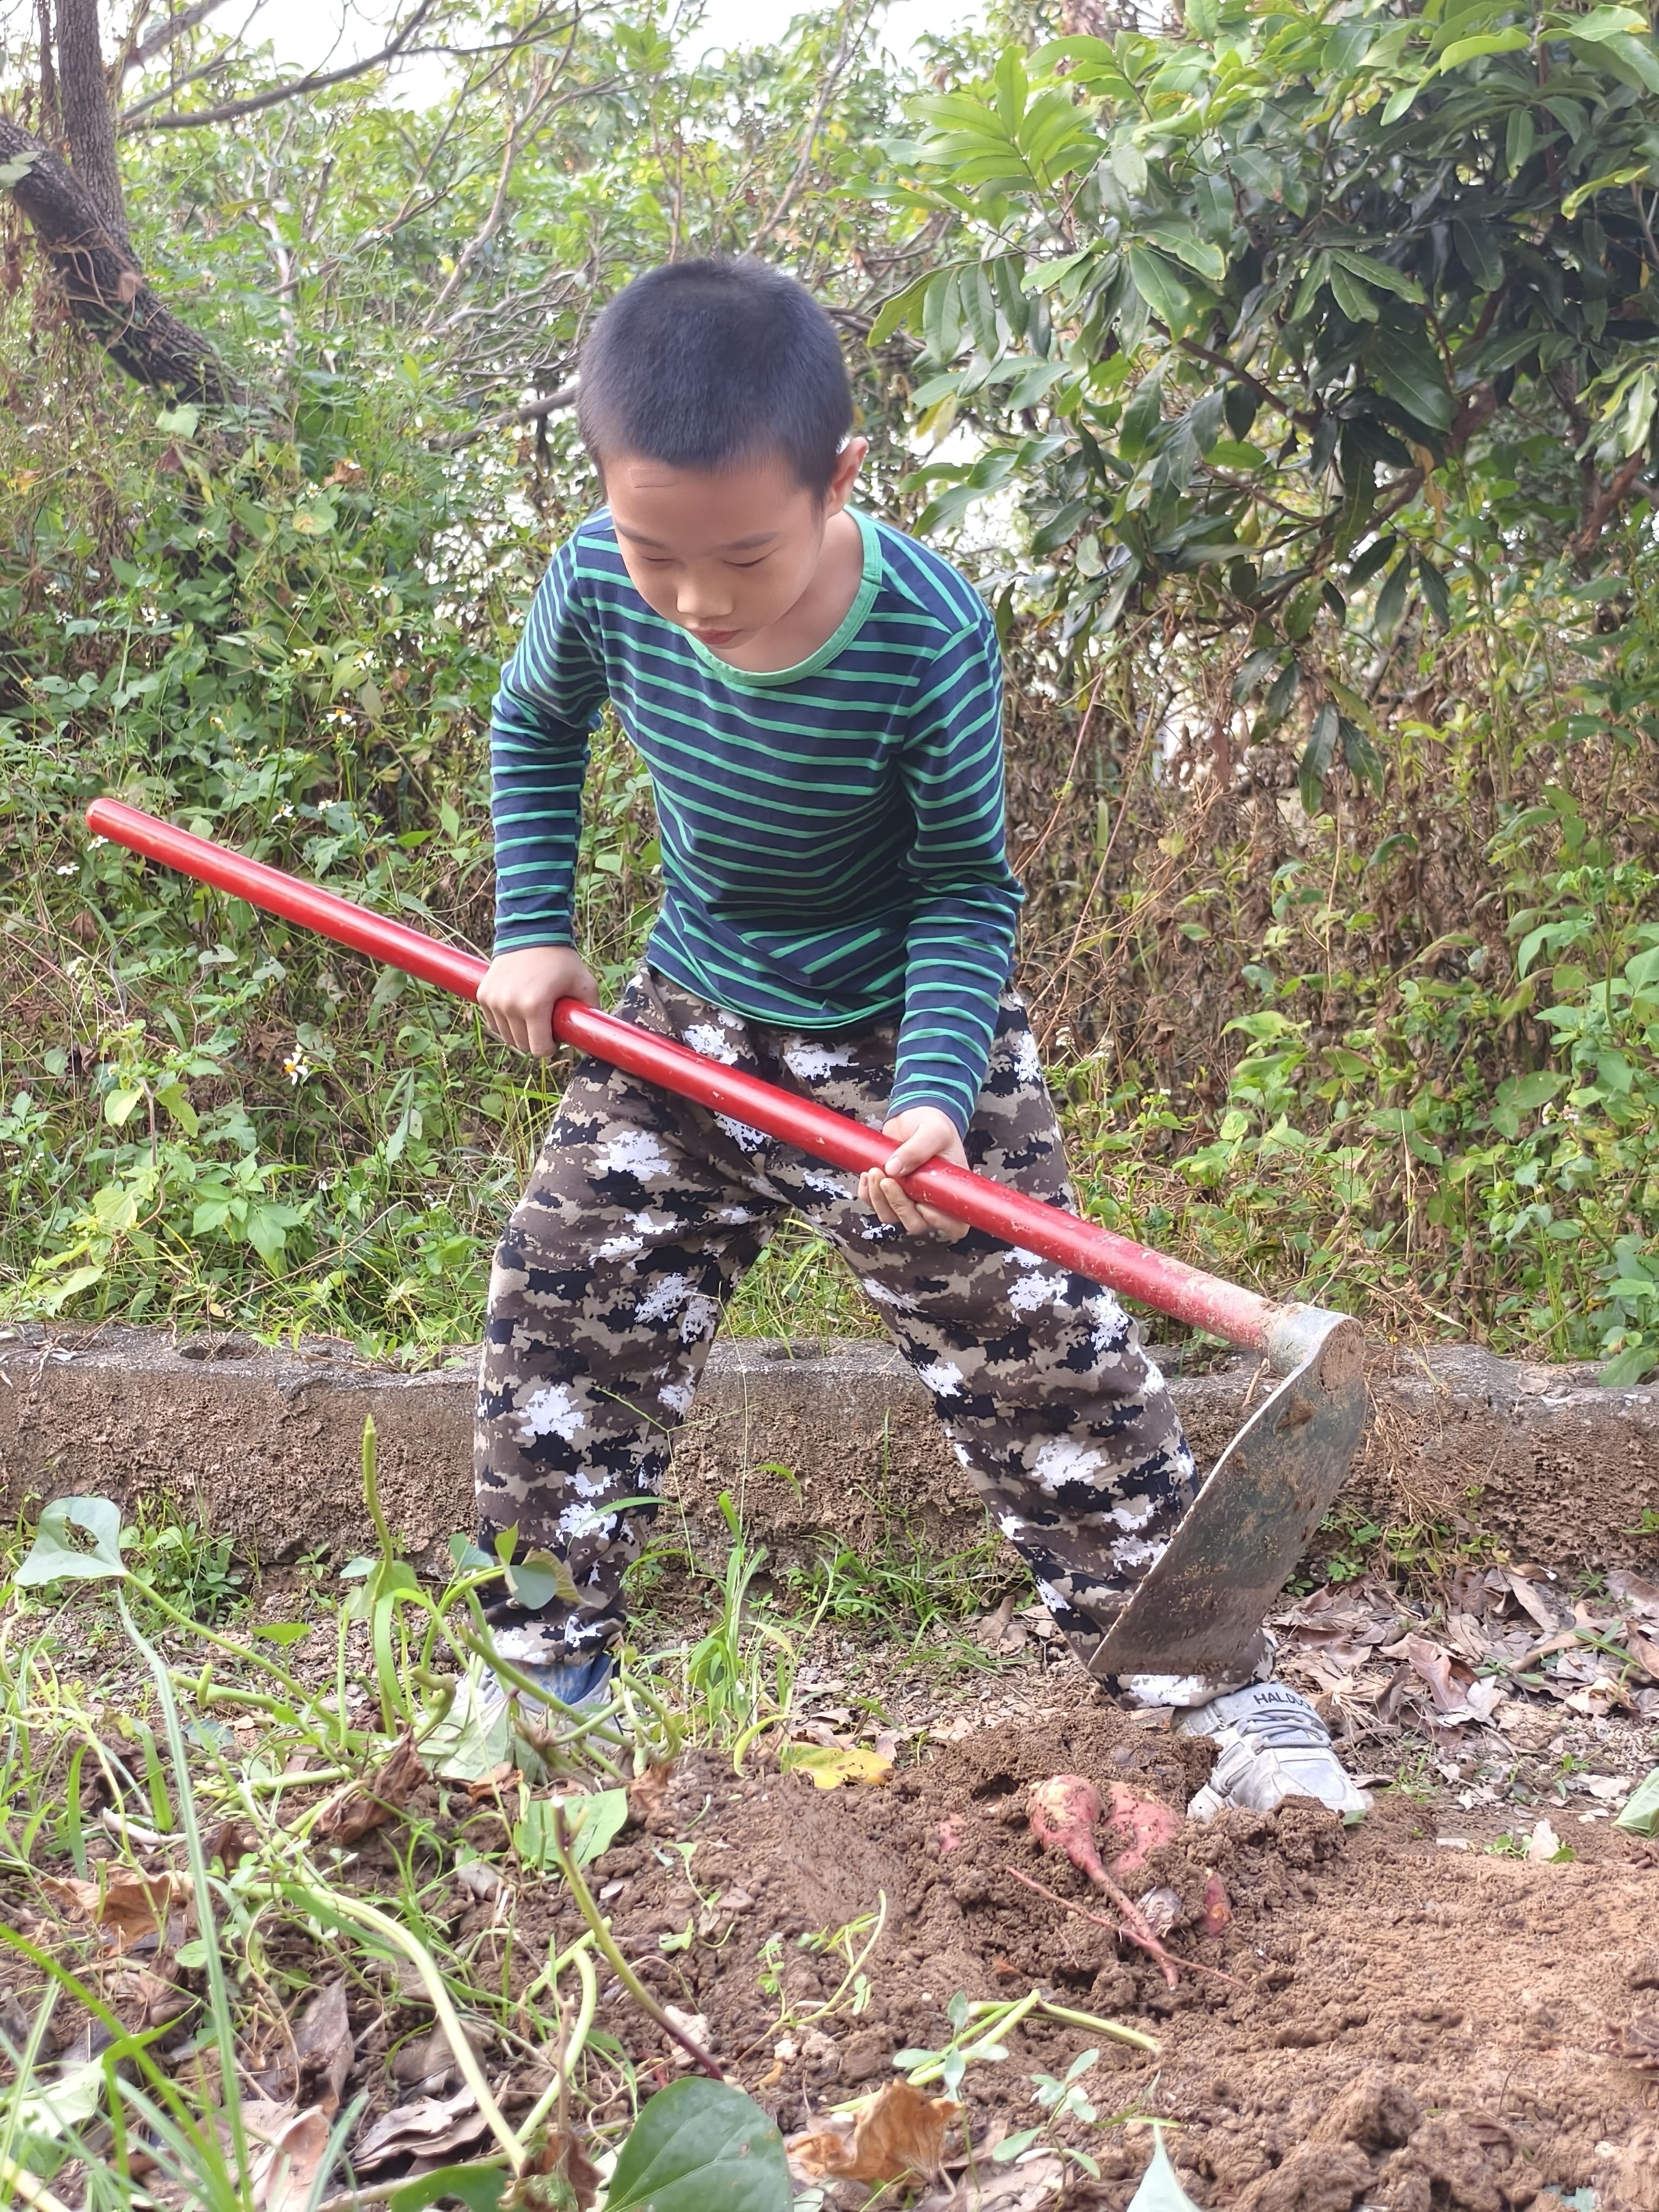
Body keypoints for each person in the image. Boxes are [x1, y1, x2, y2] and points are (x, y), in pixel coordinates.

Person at [471, 255, 1365, 1819]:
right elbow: (536, 722)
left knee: (1048, 1366)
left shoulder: (925, 630)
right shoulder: (600, 576)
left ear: (839, 479)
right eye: (657, 550)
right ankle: (540, 1683)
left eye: (743, 555)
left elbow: (964, 888)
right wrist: (535, 925)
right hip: (689, 1019)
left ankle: (1224, 1707)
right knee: (564, 1313)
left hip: (907, 1042)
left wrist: (942, 1097)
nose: (697, 599)